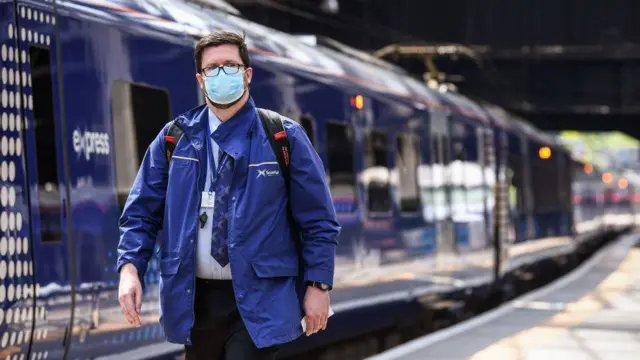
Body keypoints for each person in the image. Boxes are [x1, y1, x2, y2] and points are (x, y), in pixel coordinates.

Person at [116, 30, 341, 360]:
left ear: (247, 74)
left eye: (230, 66)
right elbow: (140, 213)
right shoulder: (174, 140)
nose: (221, 74)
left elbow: (319, 222)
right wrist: (129, 269)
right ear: (200, 79)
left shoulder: (282, 137)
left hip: (260, 297)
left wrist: (318, 285)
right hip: (193, 299)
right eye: (212, 68)